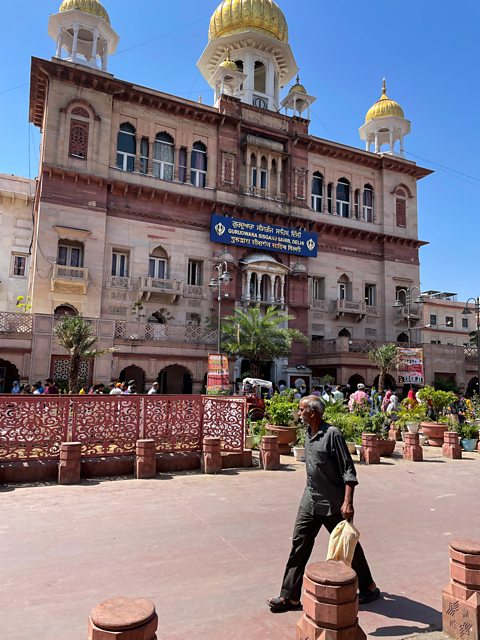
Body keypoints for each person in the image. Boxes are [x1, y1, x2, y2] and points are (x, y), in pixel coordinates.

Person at [267, 395, 379, 612]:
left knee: (347, 544)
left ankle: (368, 586)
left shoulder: (332, 434)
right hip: (310, 499)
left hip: (333, 502)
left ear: (313, 412)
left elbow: (349, 470)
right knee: (299, 545)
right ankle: (289, 596)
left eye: (301, 410)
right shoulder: (307, 434)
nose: (298, 413)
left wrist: (348, 502)